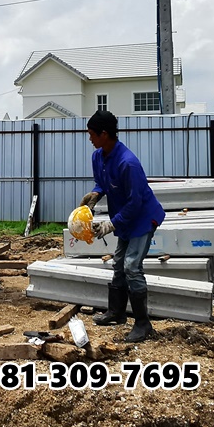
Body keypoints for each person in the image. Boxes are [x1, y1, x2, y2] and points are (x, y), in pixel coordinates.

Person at [80, 109, 165, 342]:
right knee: (119, 264)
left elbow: (135, 203)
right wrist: (95, 195)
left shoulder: (128, 163)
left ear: (104, 134)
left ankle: (143, 324)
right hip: (126, 219)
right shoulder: (98, 157)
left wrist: (111, 224)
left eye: (92, 134)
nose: (89, 138)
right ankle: (116, 313)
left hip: (143, 218)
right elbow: (102, 183)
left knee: (131, 267)